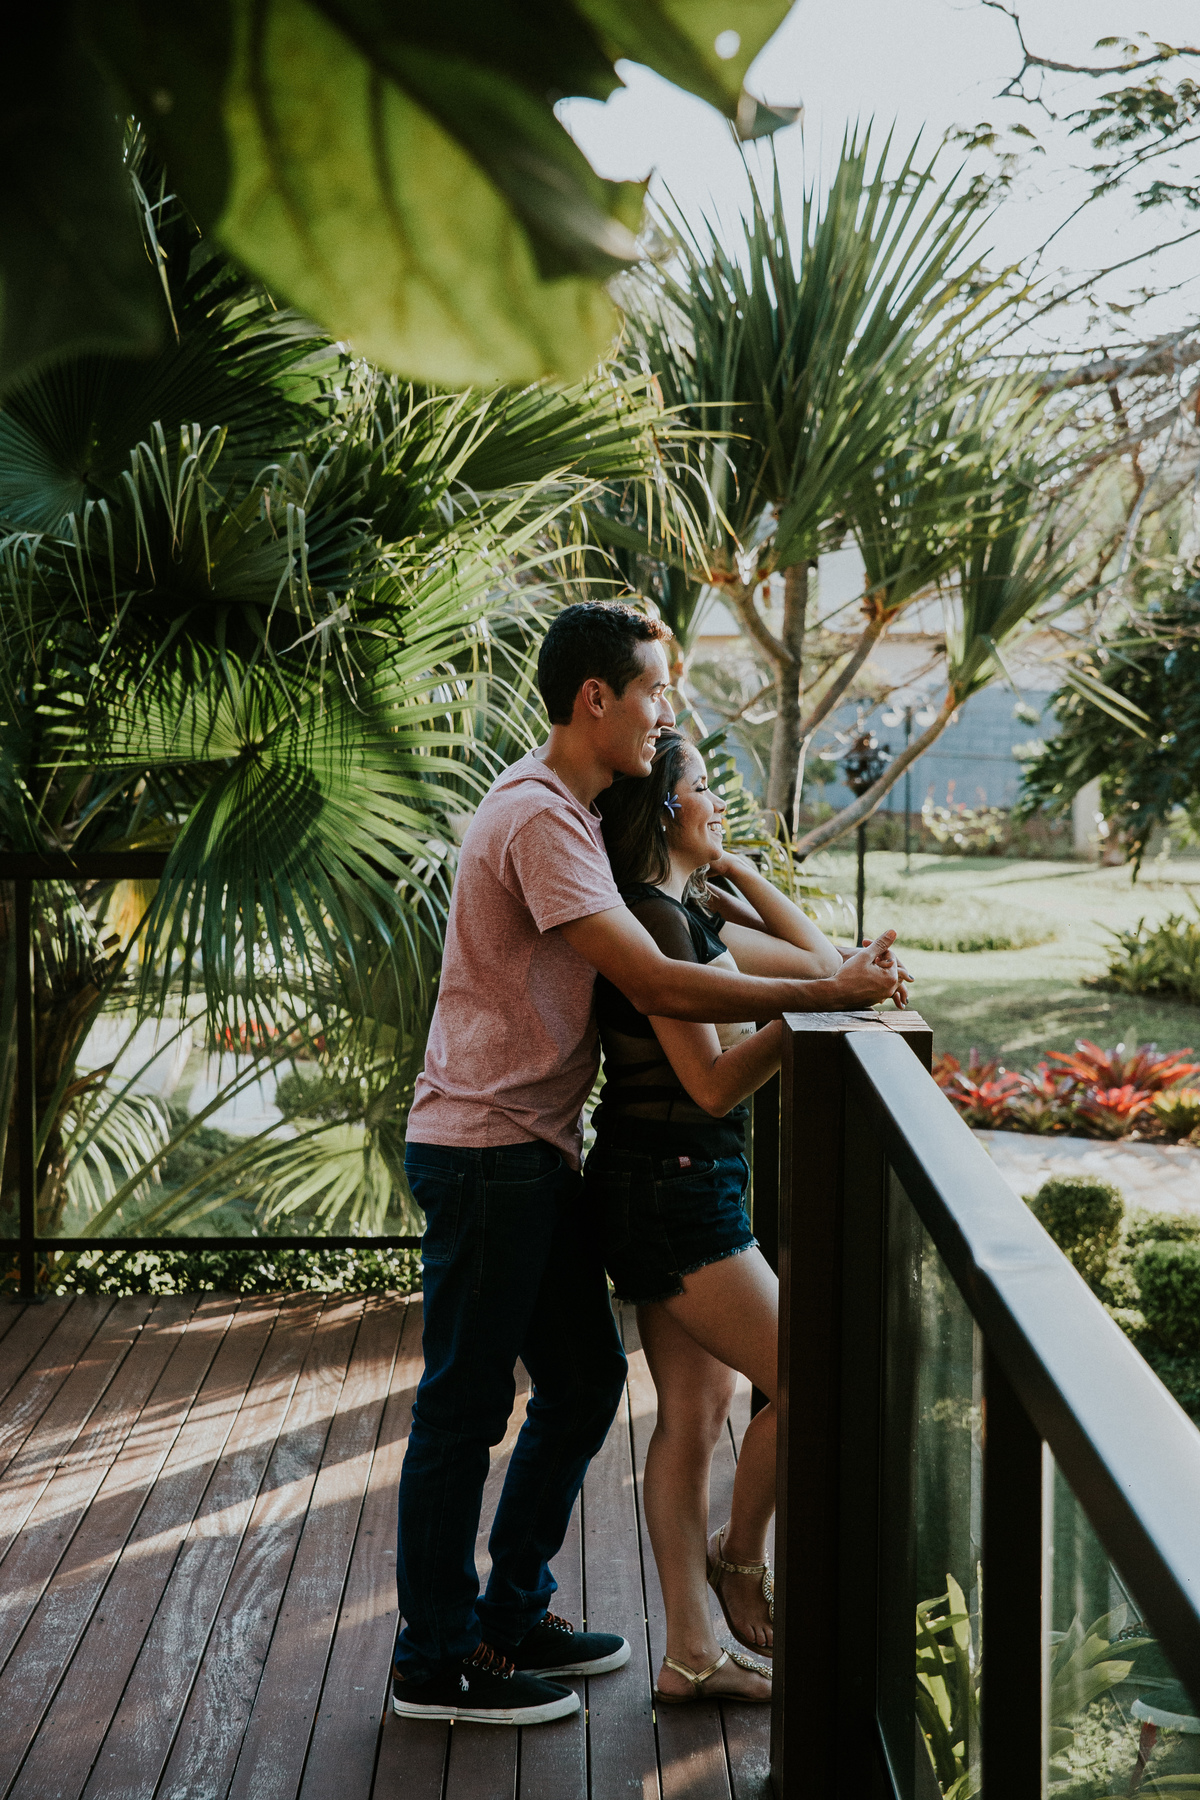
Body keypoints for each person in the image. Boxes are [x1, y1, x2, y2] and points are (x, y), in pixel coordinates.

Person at [394, 601, 903, 1728]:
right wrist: (819, 1000)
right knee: (462, 1413)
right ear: (596, 700)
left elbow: (695, 959)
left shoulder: (576, 819)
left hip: (535, 1152)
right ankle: (435, 1659)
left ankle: (512, 1612)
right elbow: (665, 985)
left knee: (580, 1386)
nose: (666, 713)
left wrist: (769, 927)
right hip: (484, 1150)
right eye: (657, 694)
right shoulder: (539, 819)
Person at [587, 729, 899, 1706]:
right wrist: (820, 999)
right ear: (663, 806)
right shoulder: (655, 924)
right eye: (704, 791)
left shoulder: (685, 907)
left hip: (671, 1184)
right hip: (673, 1190)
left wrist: (736, 869)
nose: (718, 800)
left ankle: (689, 1657)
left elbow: (817, 959)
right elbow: (716, 1084)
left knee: (693, 1416)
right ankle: (739, 1559)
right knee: (814, 1374)